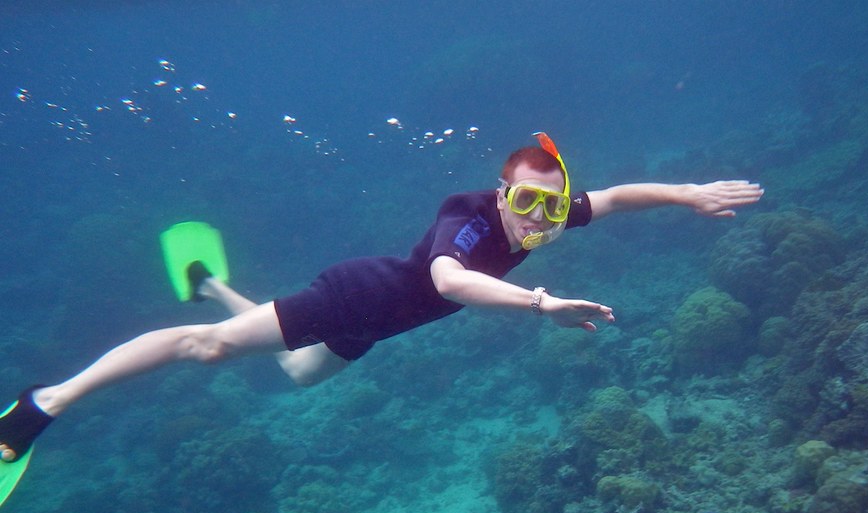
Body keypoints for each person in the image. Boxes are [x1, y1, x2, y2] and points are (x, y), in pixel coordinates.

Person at [0, 132, 763, 470]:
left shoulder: (555, 212)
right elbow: (448, 284)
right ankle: (46, 402)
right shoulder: (466, 223)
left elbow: (618, 196)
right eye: (528, 201)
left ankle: (209, 282)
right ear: (504, 191)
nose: (540, 219)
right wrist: (538, 304)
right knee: (210, 348)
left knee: (297, 378)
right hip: (356, 296)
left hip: (378, 328)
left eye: (554, 208)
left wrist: (686, 193)